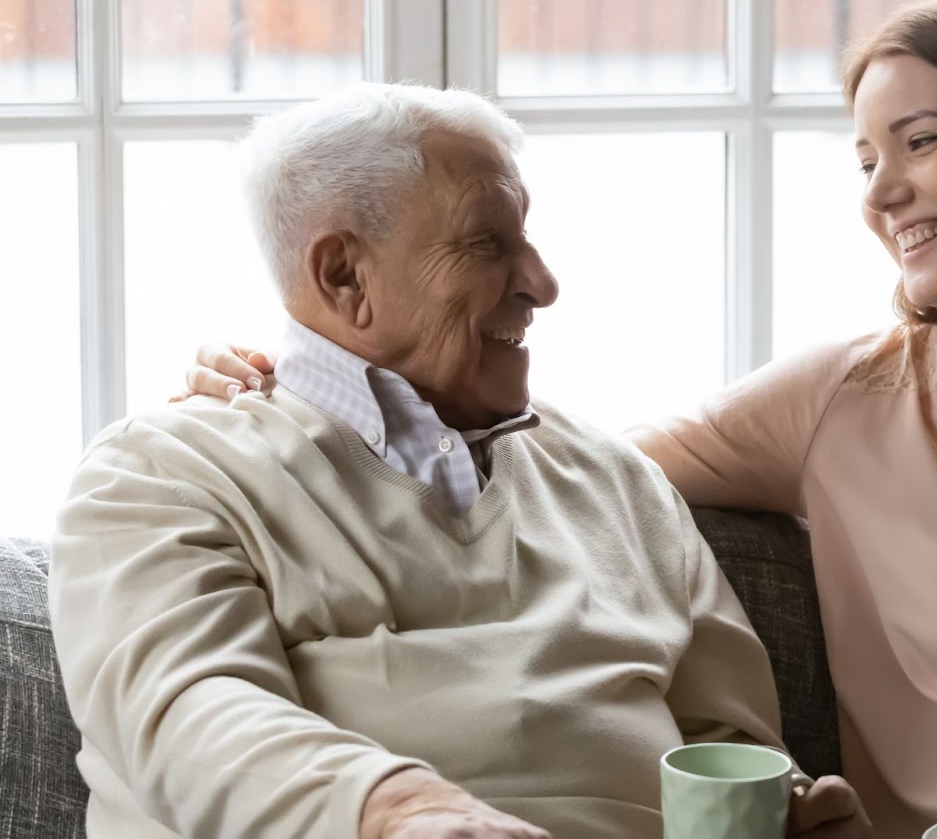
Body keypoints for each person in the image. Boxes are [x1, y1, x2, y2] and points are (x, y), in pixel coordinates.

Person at [185, 0, 937, 838]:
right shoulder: (836, 404)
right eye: (864, 157)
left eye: (920, 141)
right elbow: (552, 467)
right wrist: (299, 380)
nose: (882, 190)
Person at [54, 82, 868, 839]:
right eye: (488, 243)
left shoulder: (614, 477)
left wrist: (788, 812)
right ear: (343, 275)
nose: (542, 285)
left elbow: (726, 740)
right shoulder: (160, 475)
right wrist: (400, 810)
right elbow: (186, 712)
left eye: (527, 239)